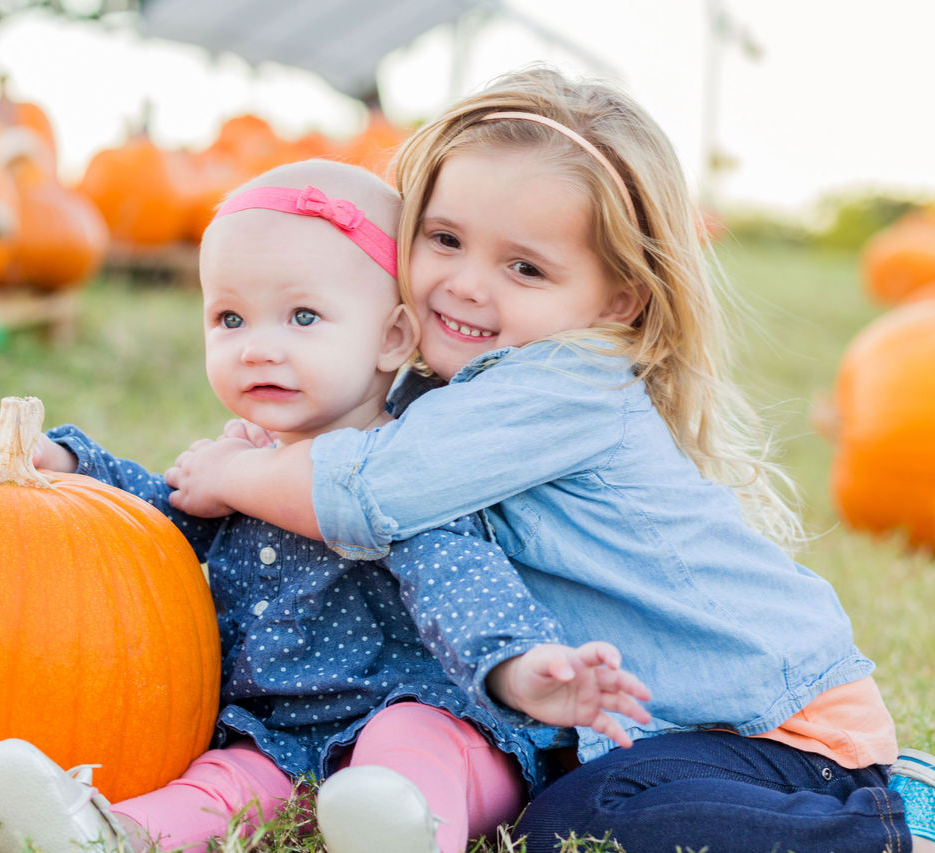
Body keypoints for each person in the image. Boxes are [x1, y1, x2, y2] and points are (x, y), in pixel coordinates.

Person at [162, 67, 935, 852]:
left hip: (782, 729)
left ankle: (886, 828)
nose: (464, 286)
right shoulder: (446, 388)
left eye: (524, 267)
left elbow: (368, 493)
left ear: (616, 302)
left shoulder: (563, 383)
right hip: (672, 730)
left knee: (585, 821)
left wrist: (234, 476)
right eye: (445, 239)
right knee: (569, 806)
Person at [0, 157, 652, 853]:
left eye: (302, 317)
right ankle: (106, 833)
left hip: (429, 712)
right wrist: (68, 462)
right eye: (231, 320)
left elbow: (458, 579)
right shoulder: (242, 463)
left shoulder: (401, 469)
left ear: (392, 336)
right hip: (277, 731)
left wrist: (520, 667)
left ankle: (410, 830)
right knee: (221, 783)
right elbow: (158, 514)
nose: (257, 349)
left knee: (408, 745)